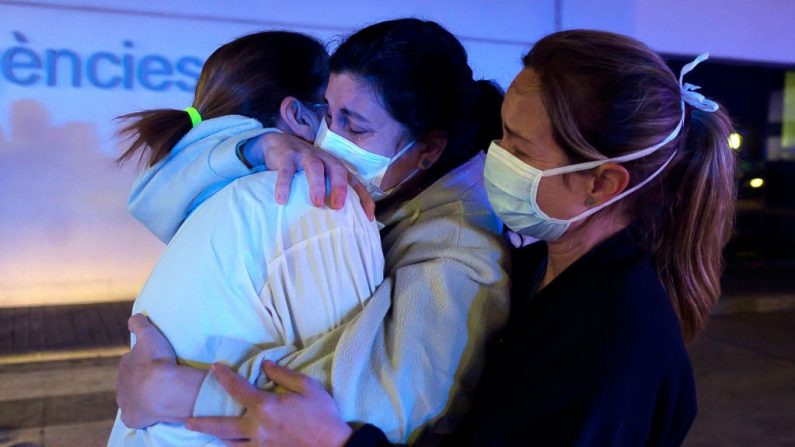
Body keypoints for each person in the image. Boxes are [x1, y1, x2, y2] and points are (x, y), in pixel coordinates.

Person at [179, 29, 735, 446]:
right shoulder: (544, 265)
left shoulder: (611, 346)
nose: (492, 161)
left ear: (602, 184)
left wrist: (332, 441)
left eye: (518, 149)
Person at [114, 19, 510, 444]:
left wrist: (185, 391)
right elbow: (155, 200)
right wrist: (255, 147)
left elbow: (394, 404)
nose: (329, 138)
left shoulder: (459, 245)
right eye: (329, 113)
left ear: (428, 149)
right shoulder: (389, 192)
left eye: (355, 126)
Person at [107, 30, 385, 446]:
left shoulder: (206, 190)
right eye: (331, 112)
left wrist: (172, 391)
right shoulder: (307, 198)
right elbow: (342, 405)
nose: (339, 132)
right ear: (298, 115)